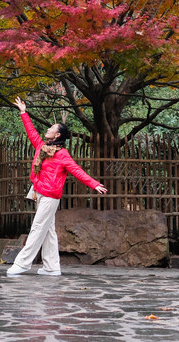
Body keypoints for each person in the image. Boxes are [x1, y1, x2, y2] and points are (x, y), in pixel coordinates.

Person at [6, 97, 107, 277]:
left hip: (51, 195)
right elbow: (32, 133)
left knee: (37, 227)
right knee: (48, 230)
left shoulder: (62, 154)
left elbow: (77, 170)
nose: (48, 129)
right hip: (39, 192)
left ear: (57, 135)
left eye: (51, 129)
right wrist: (23, 112)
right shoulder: (42, 147)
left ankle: (22, 264)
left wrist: (94, 184)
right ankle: (52, 267)